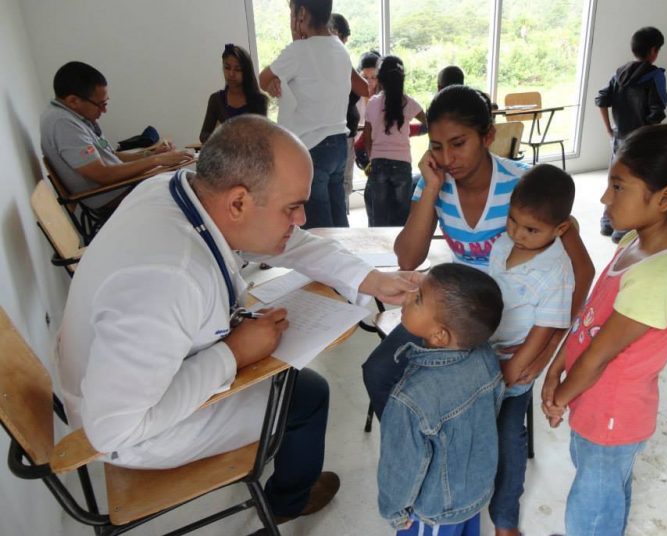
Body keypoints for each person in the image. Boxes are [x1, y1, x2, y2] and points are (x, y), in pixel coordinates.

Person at [55, 115, 420, 531]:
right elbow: (114, 430)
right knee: (307, 396)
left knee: (292, 381)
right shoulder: (167, 277)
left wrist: (370, 279)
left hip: (120, 376)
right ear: (239, 203)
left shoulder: (180, 189)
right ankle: (287, 501)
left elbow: (289, 241)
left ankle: (289, 476)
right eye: (292, 208)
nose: (301, 219)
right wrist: (234, 353)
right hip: (131, 432)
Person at [362, 84, 594, 430]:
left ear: (487, 136)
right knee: (379, 371)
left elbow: (582, 272)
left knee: (497, 419)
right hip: (458, 307)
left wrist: (549, 351)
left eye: (458, 144)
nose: (447, 158)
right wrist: (431, 191)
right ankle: (420, 450)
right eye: (436, 147)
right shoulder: (433, 183)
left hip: (512, 322)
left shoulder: (525, 185)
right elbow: (408, 258)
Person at [542, 124, 667, 536]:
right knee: (605, 490)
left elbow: (600, 354)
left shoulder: (666, 270)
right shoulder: (636, 241)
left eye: (618, 186)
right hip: (595, 404)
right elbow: (591, 317)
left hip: (612, 414)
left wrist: (559, 397)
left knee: (591, 506)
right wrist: (557, 367)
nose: (606, 197)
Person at [378, 263, 504, 536]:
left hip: (434, 512)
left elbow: (400, 467)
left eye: (418, 298)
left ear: (439, 335)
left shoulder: (410, 399)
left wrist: (394, 512)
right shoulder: (485, 356)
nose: (409, 295)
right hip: (475, 492)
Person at [487, 164, 576, 536]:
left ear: (560, 230)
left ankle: (505, 520)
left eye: (531, 229)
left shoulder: (556, 270)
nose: (517, 235)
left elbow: (546, 328)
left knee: (509, 438)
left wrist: (513, 371)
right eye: (512, 221)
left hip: (515, 364)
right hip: (482, 349)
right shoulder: (503, 243)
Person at [259, 0, 368, 229]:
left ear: (302, 13)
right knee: (338, 224)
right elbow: (363, 86)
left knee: (318, 231)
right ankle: (346, 264)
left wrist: (274, 82)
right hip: (338, 144)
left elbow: (262, 79)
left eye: (292, 13)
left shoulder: (298, 51)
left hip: (312, 148)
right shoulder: (339, 47)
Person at [40, 61, 191, 218]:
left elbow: (111, 155)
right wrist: (157, 160)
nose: (104, 110)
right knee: (185, 187)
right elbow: (103, 175)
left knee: (180, 177)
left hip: (119, 187)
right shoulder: (62, 124)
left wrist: (150, 154)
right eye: (100, 104)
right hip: (111, 196)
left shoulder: (77, 118)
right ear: (73, 101)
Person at [595, 26, 667, 242]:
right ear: (654, 50)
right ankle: (622, 229)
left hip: (619, 138)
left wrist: (610, 129)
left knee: (615, 180)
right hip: (641, 142)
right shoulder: (655, 75)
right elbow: (657, 112)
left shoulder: (619, 73)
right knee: (634, 183)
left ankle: (607, 222)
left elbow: (601, 100)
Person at [363, 55, 426, 226]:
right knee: (402, 215)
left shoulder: (373, 103)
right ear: (401, 79)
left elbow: (367, 136)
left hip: (378, 163)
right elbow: (428, 122)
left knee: (380, 217)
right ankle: (400, 248)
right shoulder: (408, 102)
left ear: (380, 79)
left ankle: (381, 249)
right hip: (402, 163)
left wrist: (371, 158)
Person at [199, 44, 269, 143]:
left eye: (237, 69)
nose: (231, 74)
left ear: (246, 72)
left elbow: (263, 137)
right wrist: (221, 136)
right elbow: (204, 135)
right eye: (227, 68)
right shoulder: (216, 99)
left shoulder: (259, 100)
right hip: (225, 155)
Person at [329, 12, 362, 214]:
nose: (343, 43)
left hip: (346, 130)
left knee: (344, 182)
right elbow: (361, 89)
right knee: (340, 182)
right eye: (342, 38)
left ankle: (343, 216)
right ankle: (341, 219)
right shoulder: (333, 60)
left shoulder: (340, 59)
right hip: (338, 131)